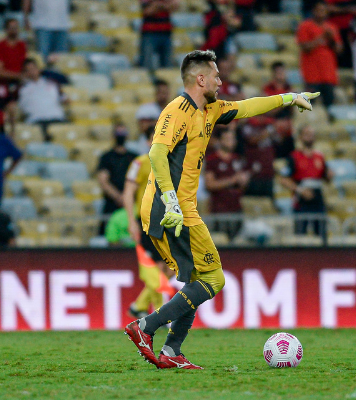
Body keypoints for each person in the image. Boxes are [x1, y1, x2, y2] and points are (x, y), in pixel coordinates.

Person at [125, 49, 320, 369]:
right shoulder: (177, 109)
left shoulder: (210, 109)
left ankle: (171, 352)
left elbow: (246, 107)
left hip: (178, 208)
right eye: (216, 75)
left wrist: (288, 97)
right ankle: (145, 327)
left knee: (198, 281)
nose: (220, 79)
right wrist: (172, 201)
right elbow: (157, 156)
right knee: (214, 278)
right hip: (170, 208)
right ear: (200, 79)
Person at [123, 125, 173, 319]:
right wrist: (131, 220)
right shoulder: (140, 163)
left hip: (167, 221)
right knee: (156, 269)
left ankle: (138, 306)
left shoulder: (172, 164)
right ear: (148, 142)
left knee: (170, 269)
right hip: (147, 221)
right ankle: (162, 313)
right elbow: (128, 193)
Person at [279, 125, 333, 236]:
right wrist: (300, 190)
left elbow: (325, 177)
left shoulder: (319, 156)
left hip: (317, 197)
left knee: (321, 232)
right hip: (301, 197)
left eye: (312, 135)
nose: (310, 137)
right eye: (307, 134)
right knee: (300, 232)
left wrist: (329, 175)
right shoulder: (294, 157)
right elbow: (283, 179)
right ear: (300, 137)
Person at [205, 125, 250, 238]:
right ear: (220, 141)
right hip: (220, 210)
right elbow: (210, 184)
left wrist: (244, 181)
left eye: (233, 139)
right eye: (228, 139)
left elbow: (242, 186)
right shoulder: (212, 160)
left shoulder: (237, 159)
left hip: (237, 208)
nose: (232, 142)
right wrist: (232, 180)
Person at [296, 1, 343, 108]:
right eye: (319, 10)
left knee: (329, 106)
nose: (321, 13)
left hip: (329, 75)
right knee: (309, 106)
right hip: (312, 75)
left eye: (323, 10)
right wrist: (322, 38)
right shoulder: (305, 26)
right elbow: (305, 47)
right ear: (313, 11)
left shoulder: (332, 27)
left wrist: (331, 39)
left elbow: (339, 50)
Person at [97, 125, 138, 220]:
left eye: (122, 133)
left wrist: (128, 197)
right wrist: (119, 197)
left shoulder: (134, 157)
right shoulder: (106, 157)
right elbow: (103, 181)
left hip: (133, 203)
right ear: (113, 136)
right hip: (111, 204)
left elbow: (138, 179)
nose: (120, 136)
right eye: (118, 134)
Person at [17, 58, 66, 135]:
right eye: (28, 70)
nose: (32, 72)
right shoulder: (22, 89)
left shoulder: (52, 83)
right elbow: (22, 107)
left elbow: (64, 98)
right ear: (25, 73)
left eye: (33, 68)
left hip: (56, 118)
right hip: (37, 121)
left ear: (38, 69)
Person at [263, 62, 295, 159]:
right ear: (273, 74)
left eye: (283, 72)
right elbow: (268, 111)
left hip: (287, 128)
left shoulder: (289, 88)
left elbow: (293, 113)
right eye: (278, 72)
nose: (281, 74)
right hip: (273, 127)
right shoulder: (267, 89)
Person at [131, 79, 170, 154]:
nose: (163, 95)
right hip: (146, 146)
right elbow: (143, 127)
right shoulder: (146, 109)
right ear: (156, 93)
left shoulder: (173, 109)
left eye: (166, 93)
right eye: (161, 93)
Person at [139, 0, 179, 70]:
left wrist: (157, 5)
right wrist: (164, 6)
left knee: (167, 64)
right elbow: (148, 11)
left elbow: (175, 6)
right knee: (147, 63)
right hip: (149, 33)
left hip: (166, 33)